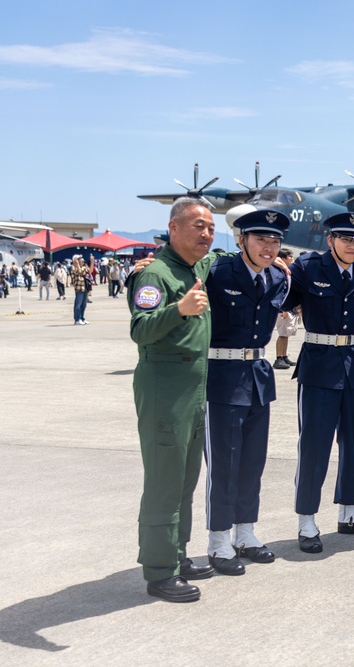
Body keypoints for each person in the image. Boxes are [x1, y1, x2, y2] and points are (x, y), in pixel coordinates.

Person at [129, 196, 217, 602]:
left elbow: (227, 260)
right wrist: (178, 310)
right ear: (173, 227)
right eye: (198, 226)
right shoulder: (156, 276)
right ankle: (159, 572)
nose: (207, 233)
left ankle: (177, 555)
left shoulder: (197, 265)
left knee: (185, 480)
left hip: (192, 390)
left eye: (211, 227)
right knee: (165, 481)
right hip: (165, 392)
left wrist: (276, 258)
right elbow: (141, 329)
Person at [285, 212, 354, 553]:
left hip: (350, 364)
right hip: (317, 364)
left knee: (353, 442)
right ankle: (306, 519)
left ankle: (350, 511)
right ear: (331, 240)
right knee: (314, 445)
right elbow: (280, 297)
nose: (353, 245)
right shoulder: (308, 268)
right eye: (345, 238)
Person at [202, 209, 291, 574]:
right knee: (224, 464)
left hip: (257, 377)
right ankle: (219, 540)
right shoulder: (217, 272)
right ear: (242, 241)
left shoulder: (278, 279)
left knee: (253, 462)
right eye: (261, 240)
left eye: (274, 241)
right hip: (222, 376)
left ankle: (246, 533)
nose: (268, 247)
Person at [273, 247, 299, 369]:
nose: (292, 259)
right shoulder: (278, 271)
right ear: (282, 258)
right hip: (283, 309)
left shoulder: (287, 271)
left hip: (289, 309)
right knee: (282, 334)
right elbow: (280, 292)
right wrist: (283, 309)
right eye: (290, 257)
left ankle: (284, 356)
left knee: (286, 334)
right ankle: (279, 358)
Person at [70, 255, 90, 325]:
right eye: (80, 260)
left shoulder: (84, 267)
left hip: (84, 288)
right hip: (78, 288)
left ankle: (82, 318)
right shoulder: (73, 267)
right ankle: (77, 319)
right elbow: (79, 272)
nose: (82, 261)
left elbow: (90, 271)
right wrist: (77, 264)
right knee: (78, 305)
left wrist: (92, 262)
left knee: (83, 305)